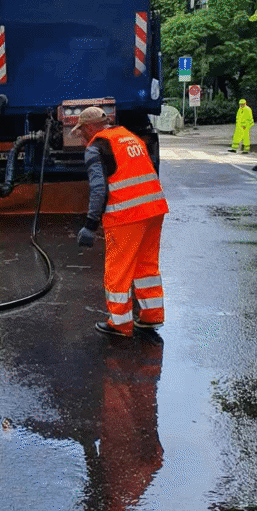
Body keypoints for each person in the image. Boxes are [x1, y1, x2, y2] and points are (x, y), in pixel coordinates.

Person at [74, 106, 168, 338]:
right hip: (154, 208)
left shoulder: (97, 146)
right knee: (146, 266)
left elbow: (98, 188)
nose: (82, 136)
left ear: (90, 127)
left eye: (82, 130)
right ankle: (151, 316)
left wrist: (90, 224)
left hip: (127, 214)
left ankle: (120, 324)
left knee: (118, 269)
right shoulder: (130, 137)